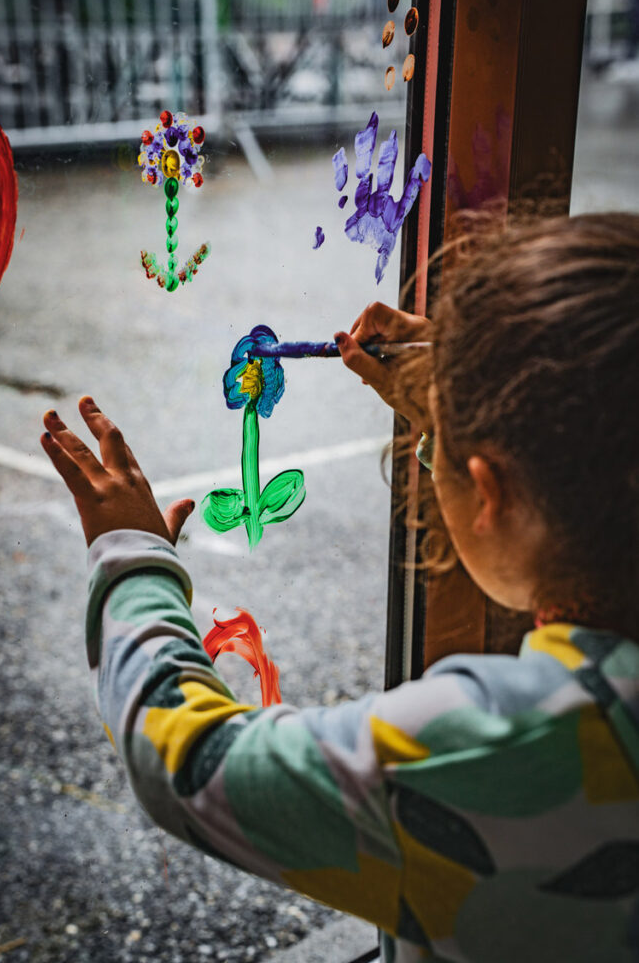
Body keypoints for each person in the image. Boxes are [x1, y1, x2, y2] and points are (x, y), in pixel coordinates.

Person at [40, 212, 639, 963]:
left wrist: (131, 555)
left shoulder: (508, 745)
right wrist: (465, 419)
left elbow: (183, 763)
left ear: (488, 491)